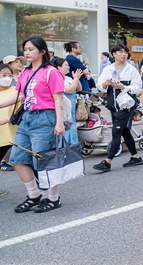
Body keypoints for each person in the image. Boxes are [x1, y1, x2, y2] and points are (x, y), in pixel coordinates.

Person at [0, 37, 65, 213]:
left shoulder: (51, 72)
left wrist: (59, 122)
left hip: (46, 118)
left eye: (31, 49)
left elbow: (58, 99)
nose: (27, 52)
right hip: (27, 118)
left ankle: (53, 198)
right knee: (17, 159)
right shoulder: (25, 73)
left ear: (42, 51)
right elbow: (21, 96)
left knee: (44, 160)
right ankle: (34, 195)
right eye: (25, 49)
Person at [92, 44, 143, 173]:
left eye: (125, 52)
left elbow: (138, 88)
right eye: (120, 52)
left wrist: (124, 88)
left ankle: (107, 162)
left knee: (116, 133)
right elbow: (99, 85)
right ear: (114, 54)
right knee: (125, 131)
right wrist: (105, 84)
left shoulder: (131, 70)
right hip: (113, 106)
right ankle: (135, 157)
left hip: (126, 106)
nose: (124, 54)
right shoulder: (108, 69)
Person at [53, 58, 82, 145]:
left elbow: (79, 89)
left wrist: (76, 78)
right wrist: (76, 78)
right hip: (64, 108)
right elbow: (69, 90)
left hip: (72, 107)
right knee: (67, 126)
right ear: (58, 67)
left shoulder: (68, 78)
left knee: (72, 126)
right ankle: (65, 149)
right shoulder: (58, 78)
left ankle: (72, 148)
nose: (68, 67)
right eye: (66, 65)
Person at [0, 64, 18, 172]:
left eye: (10, 75)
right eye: (4, 75)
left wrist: (9, 119)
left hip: (9, 132)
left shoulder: (16, 91)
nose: (7, 78)